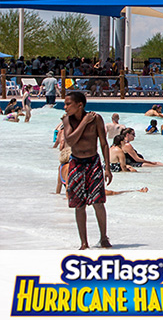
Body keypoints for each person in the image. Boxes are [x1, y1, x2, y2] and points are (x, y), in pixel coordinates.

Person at [61, 92, 112, 250]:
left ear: (80, 105)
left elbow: (103, 143)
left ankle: (104, 237)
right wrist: (84, 122)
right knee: (79, 205)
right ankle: (84, 242)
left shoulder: (96, 119)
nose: (65, 107)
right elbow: (70, 140)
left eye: (68, 104)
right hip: (76, 163)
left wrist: (107, 167)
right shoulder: (67, 119)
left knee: (98, 202)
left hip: (93, 162)